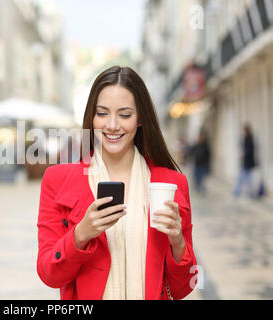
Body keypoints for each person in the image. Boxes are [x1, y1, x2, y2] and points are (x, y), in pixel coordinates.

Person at [37, 66, 197, 300]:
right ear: (91, 117)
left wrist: (177, 242)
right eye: (102, 113)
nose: (112, 125)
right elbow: (49, 274)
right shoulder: (57, 180)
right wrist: (81, 234)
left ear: (140, 119)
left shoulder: (172, 184)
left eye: (124, 115)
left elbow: (183, 288)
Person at [233, 124, 256, 198]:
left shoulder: (249, 139)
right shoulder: (248, 138)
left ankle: (238, 192)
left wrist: (243, 154)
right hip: (247, 162)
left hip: (247, 162)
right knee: (247, 178)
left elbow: (249, 150)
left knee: (243, 178)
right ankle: (248, 193)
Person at [192, 131, 211, 195]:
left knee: (202, 178)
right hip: (197, 164)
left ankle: (202, 189)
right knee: (196, 177)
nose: (200, 138)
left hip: (203, 165)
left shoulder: (206, 146)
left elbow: (209, 156)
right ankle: (198, 188)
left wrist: (208, 167)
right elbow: (192, 151)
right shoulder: (197, 145)